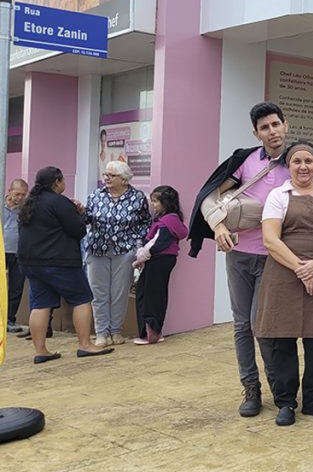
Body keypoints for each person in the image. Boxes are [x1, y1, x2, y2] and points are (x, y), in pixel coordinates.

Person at [187, 102, 291, 417]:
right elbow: (208, 195)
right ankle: (251, 389)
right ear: (256, 133)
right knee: (242, 325)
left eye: (275, 124)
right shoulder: (245, 160)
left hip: (275, 258)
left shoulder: (299, 160)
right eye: (265, 127)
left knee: (264, 326)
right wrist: (218, 227)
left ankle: (279, 390)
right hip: (240, 256)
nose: (272, 131)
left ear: (286, 125)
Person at [256, 142, 313, 426]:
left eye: (309, 161)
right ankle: (286, 402)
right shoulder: (278, 195)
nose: (303, 166)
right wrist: (302, 269)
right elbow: (271, 239)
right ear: (289, 166)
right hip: (284, 274)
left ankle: (312, 400)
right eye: (297, 161)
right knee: (282, 339)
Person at [17, 167, 113, 363]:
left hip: (31, 263)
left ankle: (41, 350)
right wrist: (78, 212)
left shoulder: (30, 202)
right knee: (82, 299)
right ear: (57, 182)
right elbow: (78, 230)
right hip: (59, 262)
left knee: (41, 305)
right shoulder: (59, 202)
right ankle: (85, 345)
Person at [84, 160, 151, 347]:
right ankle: (101, 333)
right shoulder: (96, 195)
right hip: (98, 249)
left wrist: (137, 243)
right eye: (105, 174)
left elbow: (145, 222)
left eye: (111, 175)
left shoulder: (137, 197)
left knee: (119, 293)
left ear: (124, 179)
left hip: (124, 251)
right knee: (99, 293)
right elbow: (87, 218)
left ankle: (115, 331)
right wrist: (80, 212)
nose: (106, 178)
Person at [131, 186, 189, 345]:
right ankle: (151, 331)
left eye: (156, 201)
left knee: (151, 295)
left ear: (166, 203)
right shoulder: (171, 219)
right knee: (150, 292)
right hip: (161, 259)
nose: (153, 204)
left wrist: (140, 258)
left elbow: (157, 243)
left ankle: (152, 332)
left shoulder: (167, 221)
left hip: (158, 259)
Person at [5, 178, 28, 334]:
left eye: (23, 195)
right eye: (17, 194)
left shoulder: (25, 210)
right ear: (9, 191)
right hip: (2, 251)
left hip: (19, 252)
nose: (20, 198)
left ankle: (10, 319)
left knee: (16, 287)